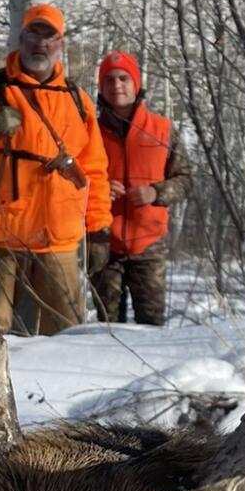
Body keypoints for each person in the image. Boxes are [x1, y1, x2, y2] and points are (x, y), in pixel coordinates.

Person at [0, 3, 110, 336]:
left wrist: (99, 230)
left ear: (60, 43)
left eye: (49, 36)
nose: (40, 44)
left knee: (68, 340)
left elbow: (95, 171)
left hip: (59, 243)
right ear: (20, 37)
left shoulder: (77, 100)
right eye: (33, 33)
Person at [88, 50, 192, 327]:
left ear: (136, 83)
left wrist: (156, 193)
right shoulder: (89, 132)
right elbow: (73, 183)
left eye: (123, 78)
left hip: (149, 245)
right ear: (101, 86)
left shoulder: (163, 130)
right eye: (109, 80)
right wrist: (98, 189)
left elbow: (185, 180)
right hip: (103, 244)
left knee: (152, 329)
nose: (117, 85)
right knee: (107, 330)